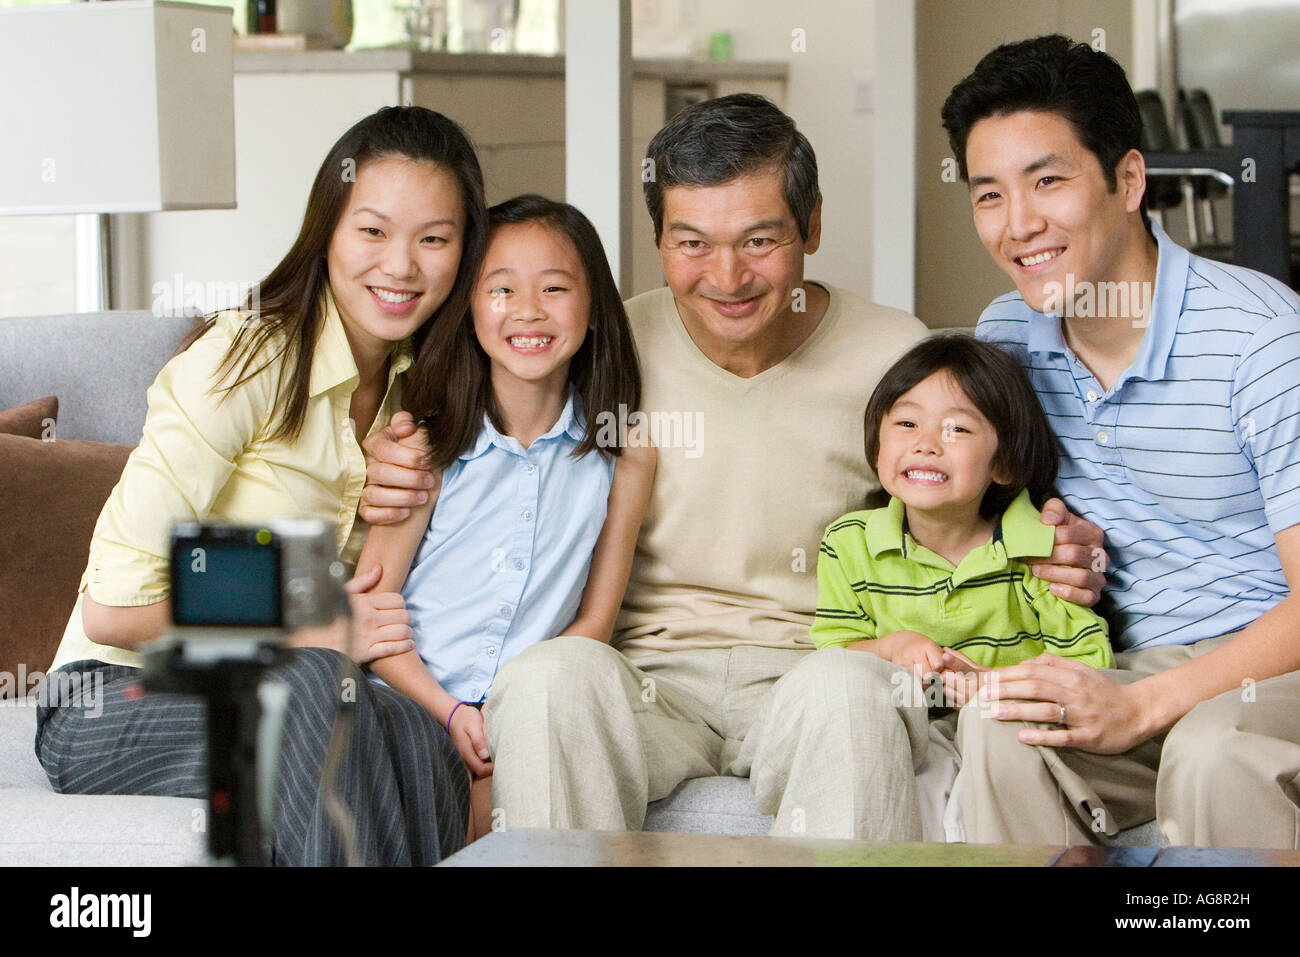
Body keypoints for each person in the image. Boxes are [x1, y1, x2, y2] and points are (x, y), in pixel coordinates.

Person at [360, 94, 1107, 841]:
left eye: (759, 240)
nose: (726, 275)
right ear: (658, 239)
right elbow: (481, 393)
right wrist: (390, 438)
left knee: (851, 692)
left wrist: (1052, 539)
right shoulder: (605, 344)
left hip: (813, 666)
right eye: (692, 243)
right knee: (547, 676)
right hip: (646, 677)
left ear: (811, 227)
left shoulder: (891, 354)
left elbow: (971, 489)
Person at [35, 106, 488, 865]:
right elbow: (113, 610)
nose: (402, 266)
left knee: (412, 734)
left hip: (294, 687)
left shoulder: (422, 392)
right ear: (327, 231)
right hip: (109, 698)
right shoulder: (242, 360)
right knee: (314, 684)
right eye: (373, 231)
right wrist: (307, 628)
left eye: (434, 239)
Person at [942, 34, 1300, 847]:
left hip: (1273, 666)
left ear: (1129, 180)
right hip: (1131, 653)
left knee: (1215, 752)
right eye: (989, 194)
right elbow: (994, 517)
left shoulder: (1261, 337)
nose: (1019, 224)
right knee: (1009, 727)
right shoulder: (1007, 337)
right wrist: (1046, 542)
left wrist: (1146, 701)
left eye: (1048, 181)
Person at [353, 195, 654, 839]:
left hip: (521, 718)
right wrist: (449, 710)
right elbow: (373, 624)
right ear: (468, 310)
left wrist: (504, 721)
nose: (528, 310)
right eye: (501, 289)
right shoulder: (423, 449)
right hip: (409, 702)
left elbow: (595, 620)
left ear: (596, 306)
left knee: (511, 815)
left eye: (554, 287)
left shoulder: (624, 452)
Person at [811, 335, 1113, 716]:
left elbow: (1092, 667)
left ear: (1005, 463)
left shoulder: (1041, 548)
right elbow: (832, 657)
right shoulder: (847, 543)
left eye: (957, 429)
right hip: (898, 730)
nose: (926, 444)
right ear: (876, 447)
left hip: (1005, 734)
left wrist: (991, 686)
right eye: (907, 422)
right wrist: (892, 647)